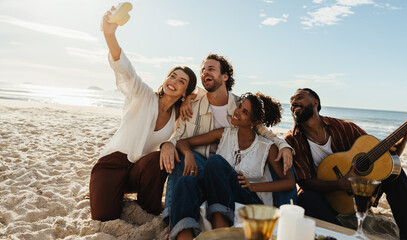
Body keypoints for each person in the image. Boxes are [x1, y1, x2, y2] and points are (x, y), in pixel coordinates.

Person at [88, 6, 197, 221]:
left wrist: (192, 99)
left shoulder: (178, 116)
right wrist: (110, 34)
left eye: (181, 81)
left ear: (185, 91)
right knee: (104, 216)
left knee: (159, 158)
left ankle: (148, 206)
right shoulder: (142, 94)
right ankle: (111, 193)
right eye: (172, 76)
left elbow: (204, 94)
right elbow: (124, 68)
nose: (173, 82)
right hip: (112, 165)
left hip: (139, 170)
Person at [159, 54, 296, 222]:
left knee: (283, 162)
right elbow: (179, 136)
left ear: (225, 76)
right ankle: (171, 217)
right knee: (179, 156)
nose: (204, 73)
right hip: (202, 164)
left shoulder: (241, 104)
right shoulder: (192, 105)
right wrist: (168, 145)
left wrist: (283, 146)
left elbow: (264, 132)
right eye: (202, 70)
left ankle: (285, 216)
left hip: (231, 170)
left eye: (211, 69)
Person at [284, 88, 407, 240]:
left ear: (315, 102)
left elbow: (385, 158)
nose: (293, 102)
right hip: (327, 199)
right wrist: (340, 184)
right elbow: (304, 181)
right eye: (291, 101)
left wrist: (404, 139)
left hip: (359, 195)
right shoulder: (292, 140)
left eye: (299, 97)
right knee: (305, 198)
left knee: (396, 173)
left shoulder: (343, 127)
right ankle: (343, 236)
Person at [170, 92, 296, 240]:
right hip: (221, 193)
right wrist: (188, 154)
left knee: (215, 161)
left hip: (249, 198)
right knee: (187, 181)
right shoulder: (224, 134)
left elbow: (289, 182)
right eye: (240, 107)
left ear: (254, 121)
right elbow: (183, 142)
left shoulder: (267, 147)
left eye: (244, 112)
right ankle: (184, 236)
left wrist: (254, 187)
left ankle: (220, 227)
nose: (237, 112)